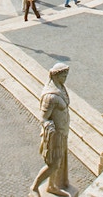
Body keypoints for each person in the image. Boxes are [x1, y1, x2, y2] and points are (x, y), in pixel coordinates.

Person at [30, 63, 71, 196]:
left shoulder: (61, 89)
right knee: (53, 164)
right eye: (63, 75)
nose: (65, 78)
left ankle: (52, 186)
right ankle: (35, 186)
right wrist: (49, 127)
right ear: (56, 75)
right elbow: (43, 118)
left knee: (58, 162)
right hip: (55, 135)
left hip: (63, 132)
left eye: (66, 75)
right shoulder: (50, 96)